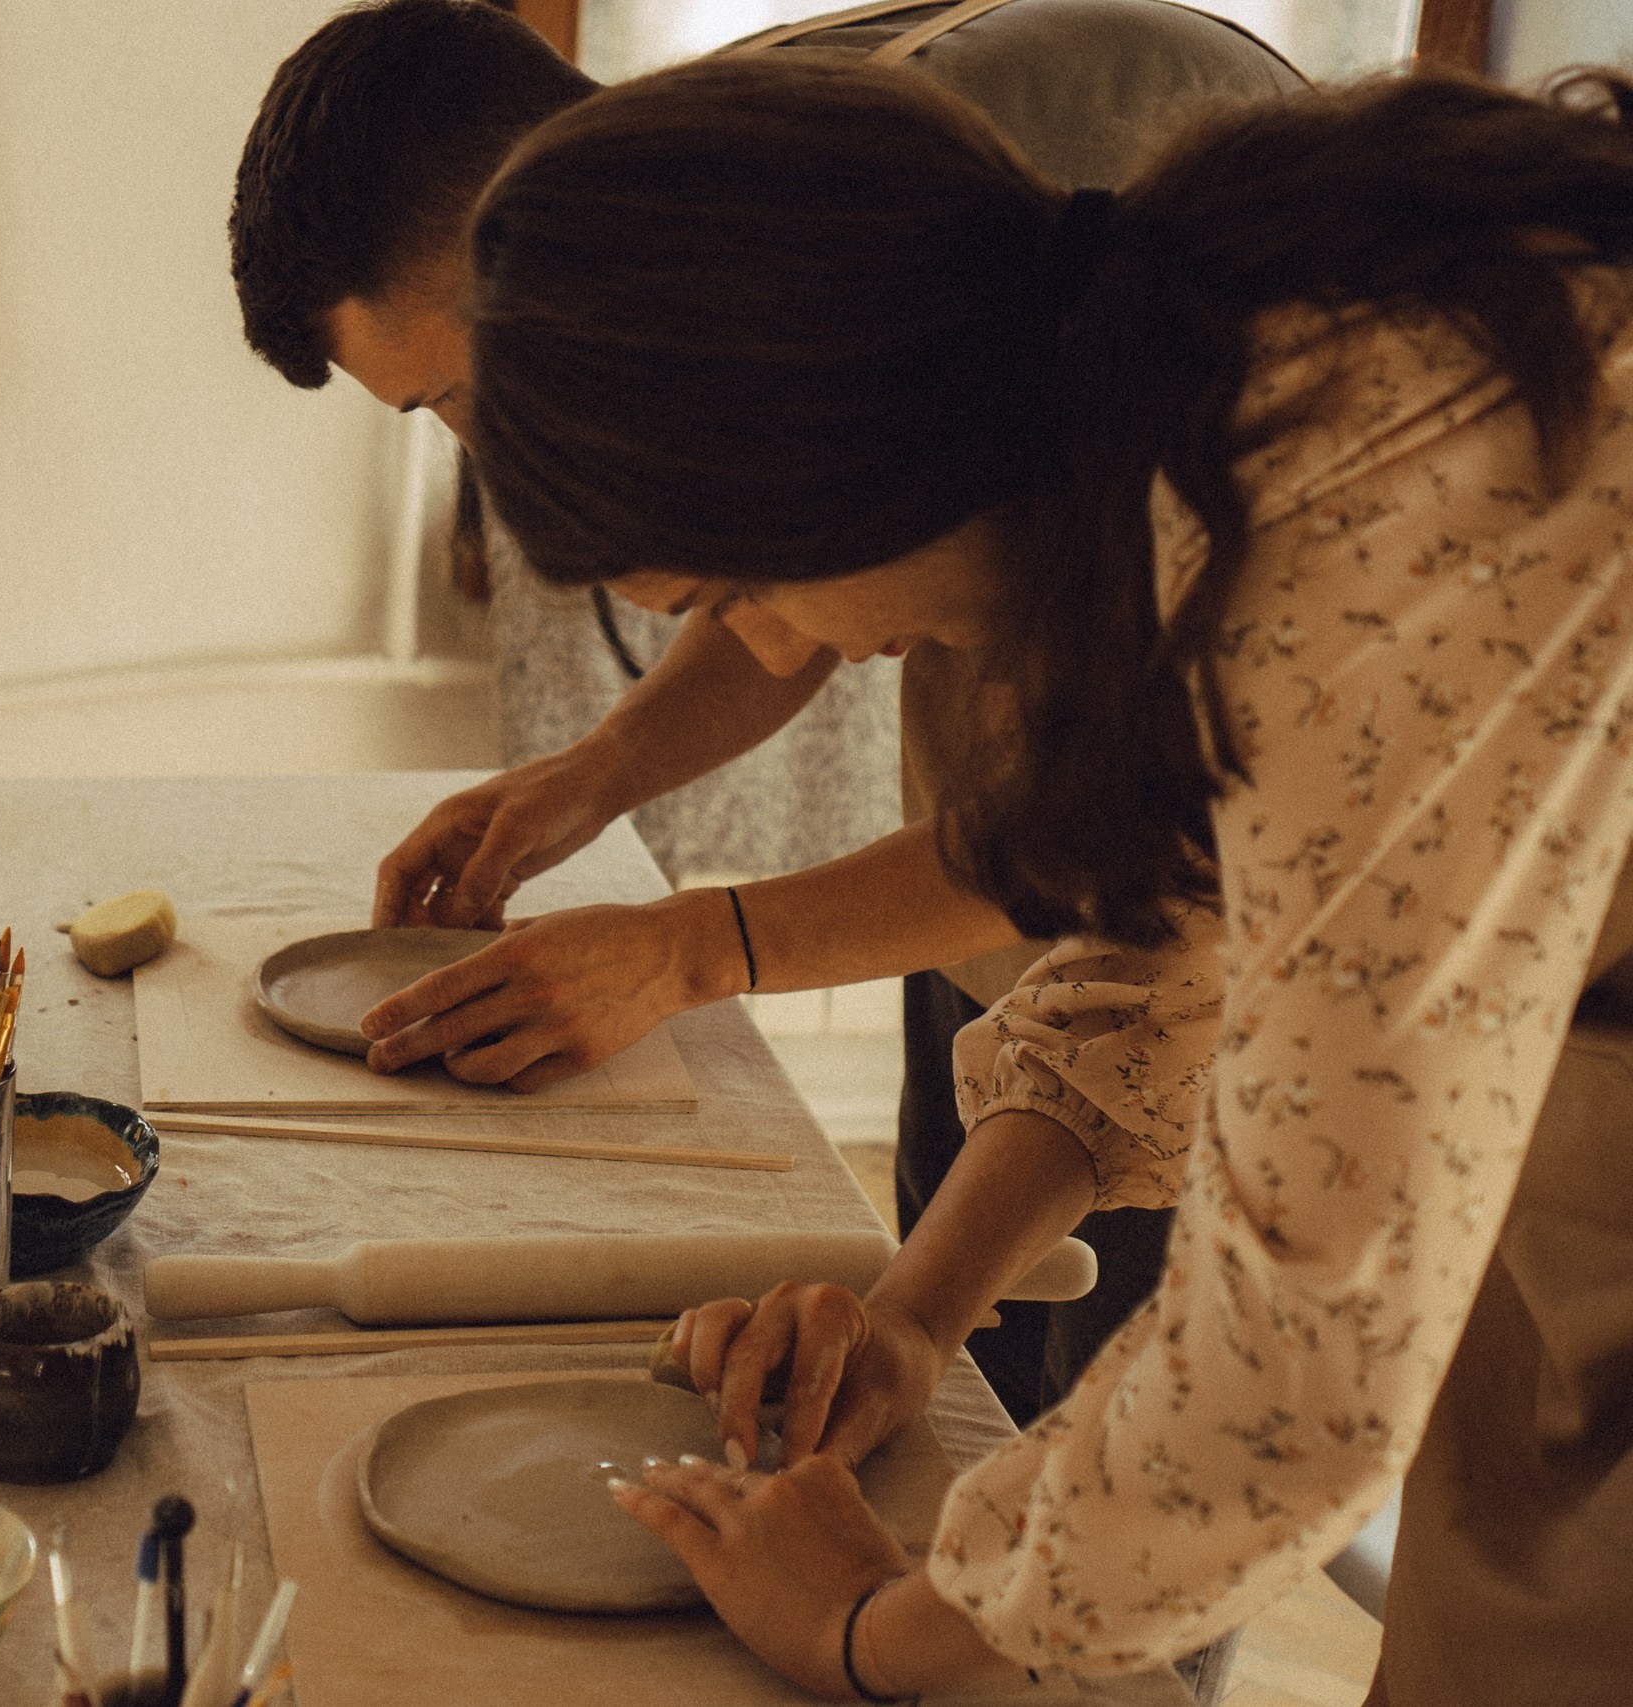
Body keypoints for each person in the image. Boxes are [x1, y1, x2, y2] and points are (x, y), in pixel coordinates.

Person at [463, 52, 1633, 1704]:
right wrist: (916, 1319)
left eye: (746, 584)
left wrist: (879, 1633)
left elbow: (1294, 1389)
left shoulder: (1366, 508)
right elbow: (1182, 919)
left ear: (836, 460)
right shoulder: (1203, 375)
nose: (795, 649)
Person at [229, 0, 1294, 1423]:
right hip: (1086, 924)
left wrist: (696, 949)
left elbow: (1266, 1444)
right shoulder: (706, 204)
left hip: (1320, 1002)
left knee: (1140, 1408)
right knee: (979, 1371)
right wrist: (603, 771)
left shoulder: (1256, 542)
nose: (806, 647)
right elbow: (1113, 916)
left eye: (458, 398)